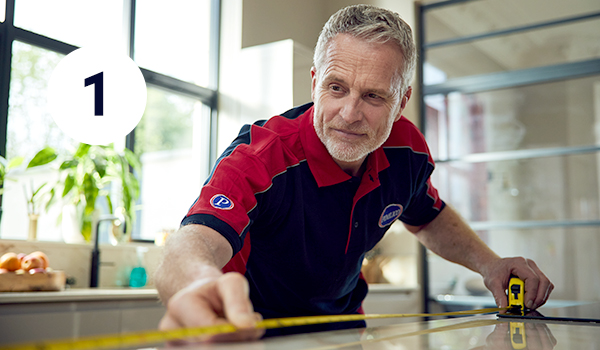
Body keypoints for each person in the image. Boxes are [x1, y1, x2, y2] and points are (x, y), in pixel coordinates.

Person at [155, 4, 553, 340]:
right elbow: (195, 240)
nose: (349, 114)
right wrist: (196, 284)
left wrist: (490, 264)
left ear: (401, 102)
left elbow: (429, 217)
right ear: (314, 84)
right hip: (249, 334)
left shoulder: (407, 150)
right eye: (336, 88)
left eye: (374, 96)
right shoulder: (262, 154)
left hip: (345, 333)